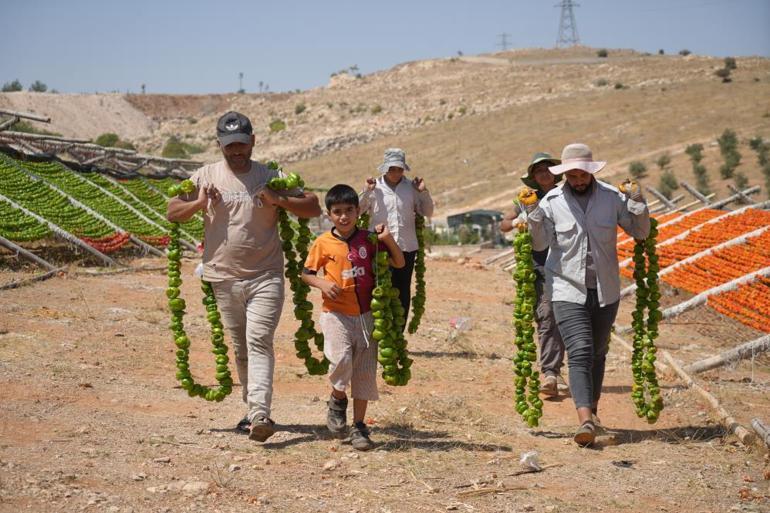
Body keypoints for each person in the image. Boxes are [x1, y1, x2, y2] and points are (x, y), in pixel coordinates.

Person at [167, 111, 322, 443]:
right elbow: (172, 211)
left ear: (253, 141)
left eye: (241, 145)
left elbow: (312, 205)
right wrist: (198, 203)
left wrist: (279, 199)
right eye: (229, 146)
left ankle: (260, 413)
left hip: (265, 275)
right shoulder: (204, 176)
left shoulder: (271, 176)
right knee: (240, 348)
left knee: (258, 341)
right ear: (219, 145)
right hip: (222, 277)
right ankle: (251, 412)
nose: (236, 151)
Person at [525, 143, 650, 446]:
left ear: (591, 173)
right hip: (566, 287)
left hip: (606, 288)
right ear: (565, 175)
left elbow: (641, 232)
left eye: (583, 175)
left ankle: (592, 410)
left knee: (597, 351)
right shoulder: (552, 202)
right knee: (580, 349)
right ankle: (584, 421)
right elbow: (540, 245)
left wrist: (637, 201)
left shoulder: (611, 198)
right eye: (573, 176)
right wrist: (532, 213)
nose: (579, 181)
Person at [302, 184, 405, 450]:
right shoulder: (323, 242)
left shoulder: (368, 240)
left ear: (358, 211)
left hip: (368, 316)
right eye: (337, 212)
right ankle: (337, 399)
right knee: (341, 359)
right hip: (336, 313)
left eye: (349, 210)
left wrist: (387, 239)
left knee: (364, 372)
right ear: (328, 215)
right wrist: (322, 284)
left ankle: (359, 426)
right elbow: (306, 273)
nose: (344, 217)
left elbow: (399, 263)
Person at [500, 152, 568, 397]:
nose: (544, 174)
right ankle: (552, 369)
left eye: (547, 169)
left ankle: (553, 370)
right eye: (538, 171)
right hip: (537, 266)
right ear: (533, 178)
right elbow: (504, 224)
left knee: (557, 314)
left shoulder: (566, 194)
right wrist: (519, 219)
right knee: (544, 314)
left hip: (565, 264)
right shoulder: (526, 198)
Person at [359, 148, 434, 328]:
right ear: (385, 168)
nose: (396, 172)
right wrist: (366, 191)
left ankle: (397, 333)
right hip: (379, 248)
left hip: (406, 247)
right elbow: (358, 210)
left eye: (399, 169)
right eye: (392, 168)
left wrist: (423, 192)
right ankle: (376, 331)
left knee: (402, 291)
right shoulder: (374, 187)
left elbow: (428, 211)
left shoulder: (411, 188)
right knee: (377, 289)